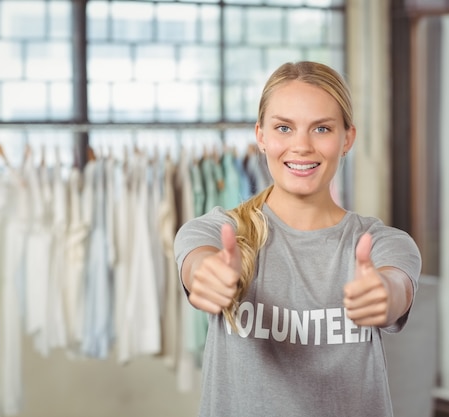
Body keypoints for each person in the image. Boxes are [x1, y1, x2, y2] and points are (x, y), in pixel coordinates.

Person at [174, 61, 422, 417]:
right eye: (284, 128)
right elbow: (197, 259)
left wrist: (386, 293)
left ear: (347, 138)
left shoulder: (384, 243)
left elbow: (397, 284)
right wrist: (206, 273)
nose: (302, 146)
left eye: (321, 128)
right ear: (261, 135)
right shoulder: (216, 232)